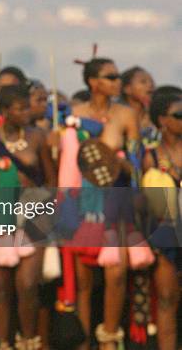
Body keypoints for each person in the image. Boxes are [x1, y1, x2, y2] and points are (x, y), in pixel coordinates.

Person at [63, 57, 140, 350]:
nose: (117, 81)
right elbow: (69, 160)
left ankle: (109, 338)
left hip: (116, 200)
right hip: (84, 203)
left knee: (116, 272)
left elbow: (135, 163)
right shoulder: (76, 113)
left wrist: (118, 162)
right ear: (93, 82)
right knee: (84, 278)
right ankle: (83, 341)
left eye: (118, 76)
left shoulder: (126, 115)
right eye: (111, 76)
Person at [0, 84, 57, 349]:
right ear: (6, 111)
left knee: (27, 285)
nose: (26, 113)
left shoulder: (37, 137)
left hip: (32, 216)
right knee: (2, 288)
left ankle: (29, 340)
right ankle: (4, 343)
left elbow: (51, 180)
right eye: (20, 108)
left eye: (27, 107)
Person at [141, 86, 182, 350]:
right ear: (162, 121)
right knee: (167, 299)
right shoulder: (152, 157)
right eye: (179, 114)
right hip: (167, 235)